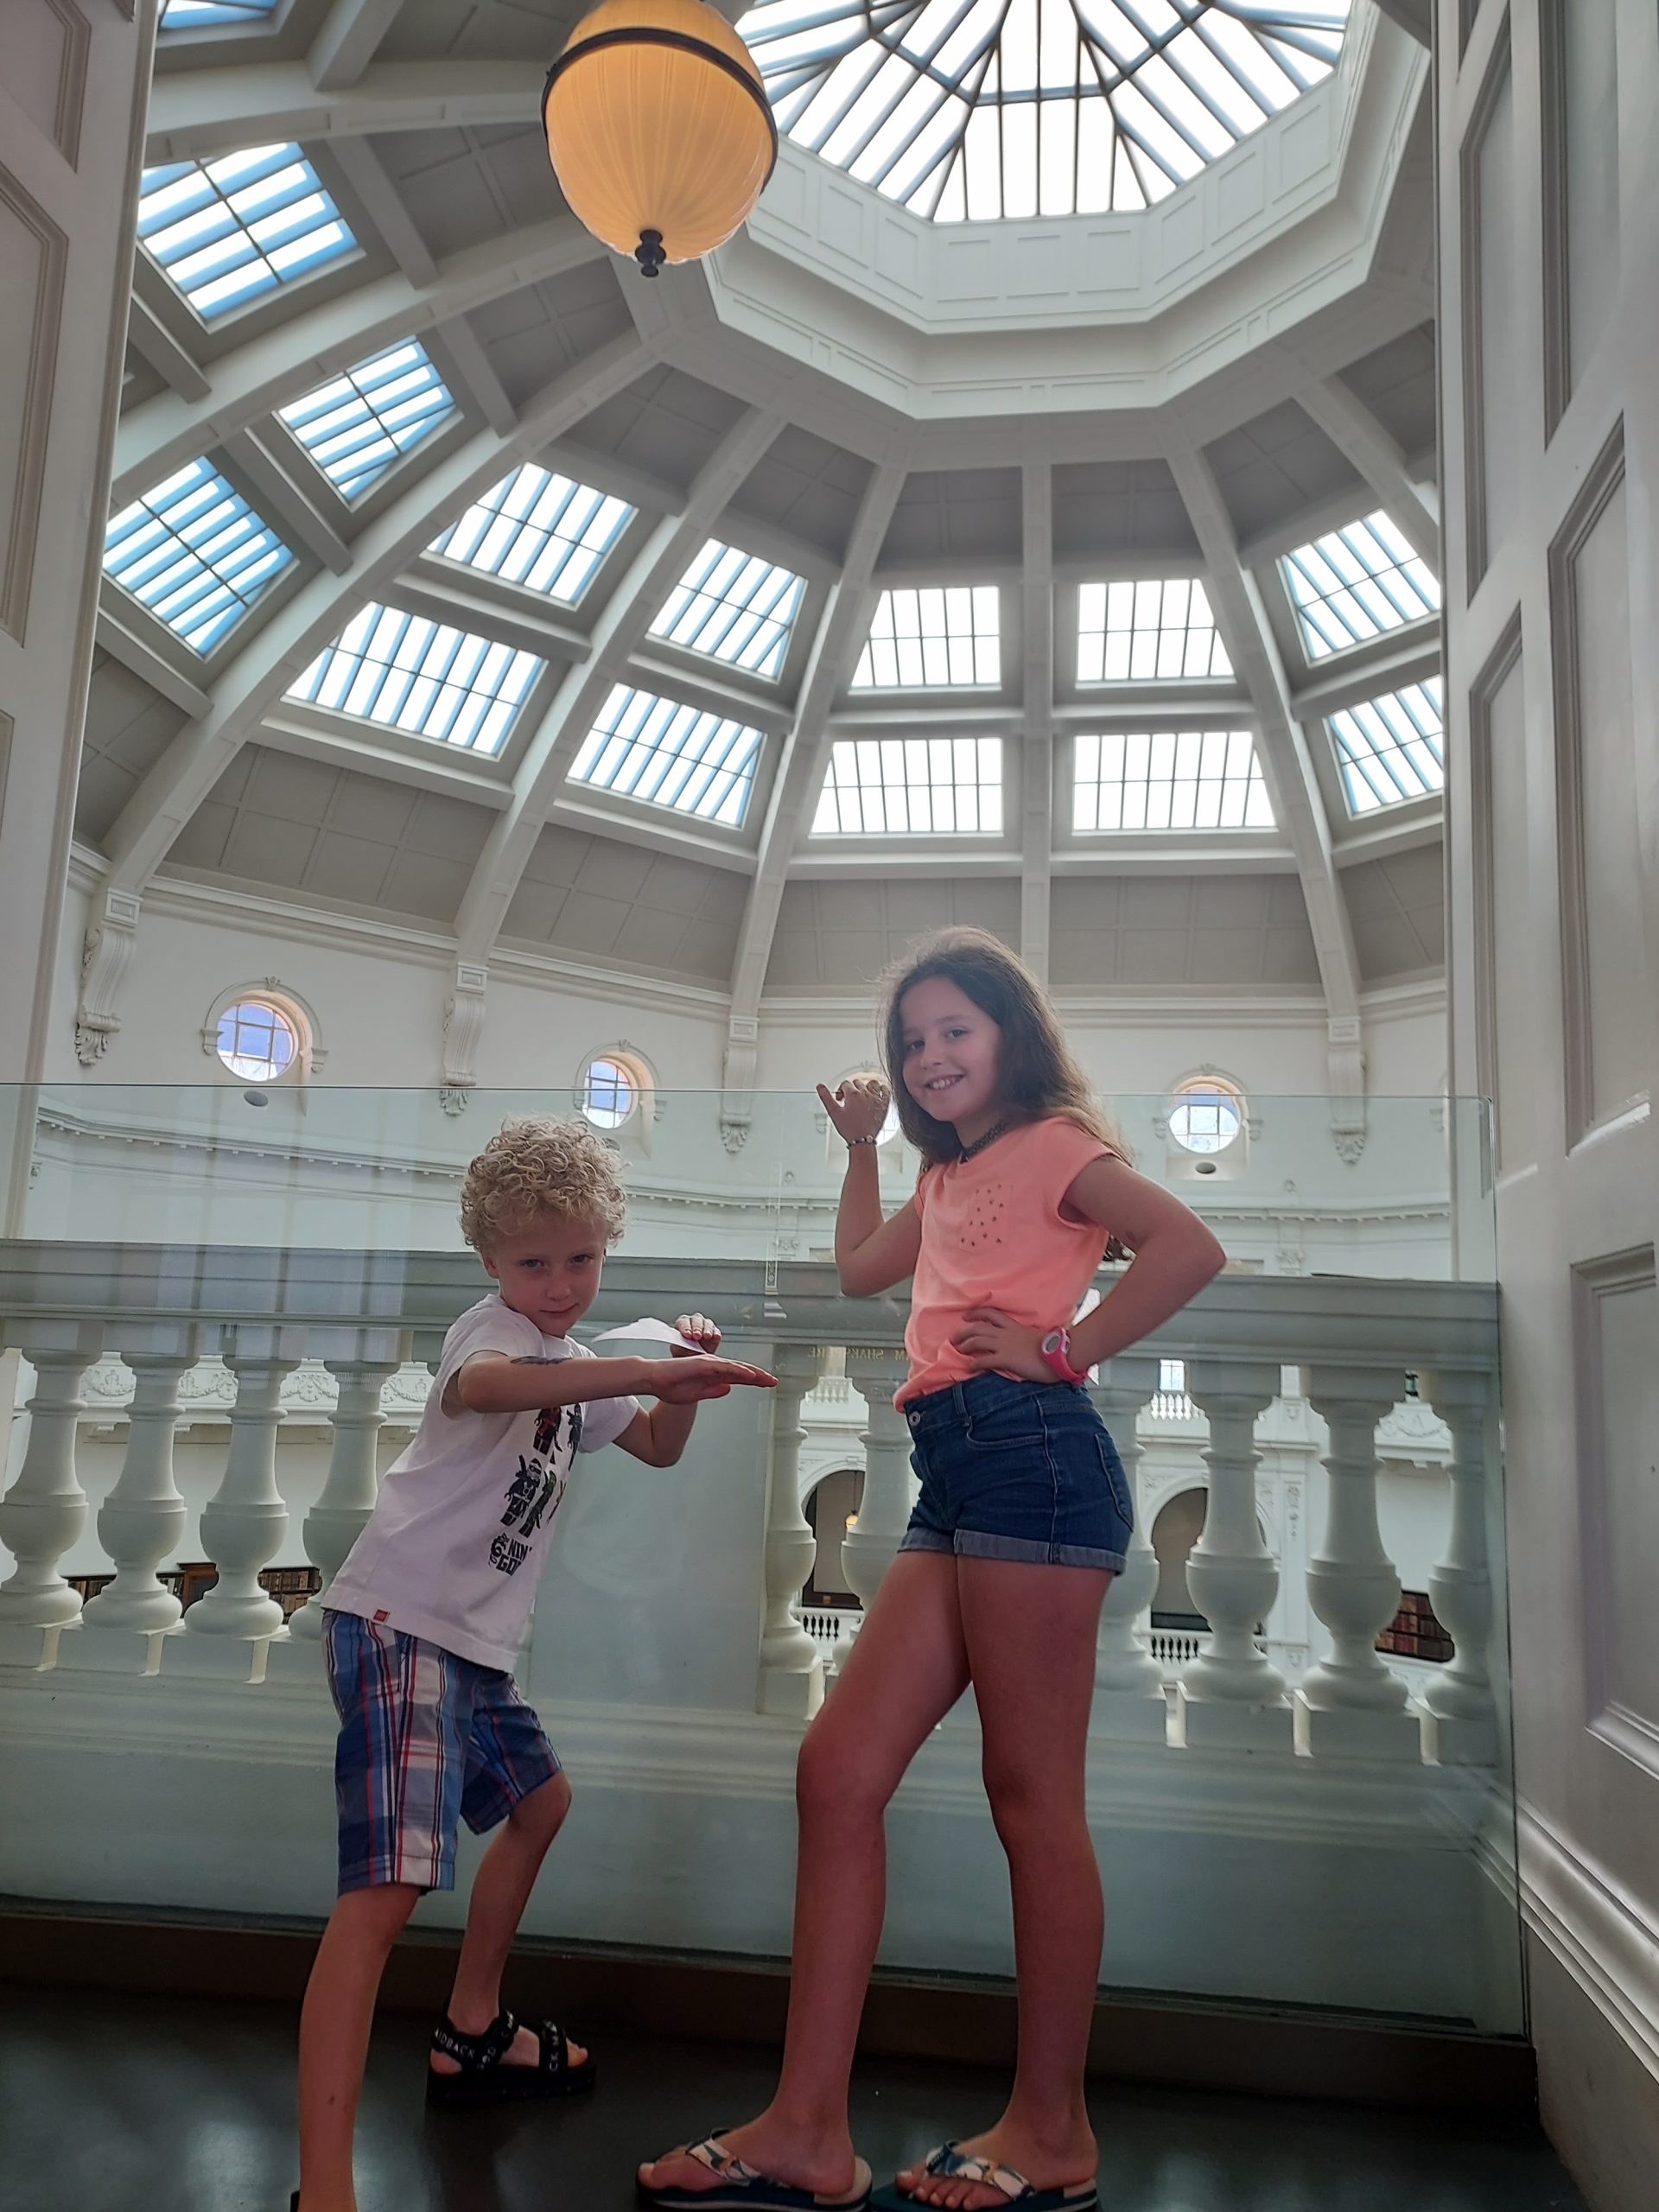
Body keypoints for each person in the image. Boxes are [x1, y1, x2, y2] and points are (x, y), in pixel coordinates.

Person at [639, 928, 1226, 2212]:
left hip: (1034, 1456)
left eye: (955, 1028)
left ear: (1012, 1033)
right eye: (912, 1041)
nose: (929, 1056)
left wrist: (1066, 1351)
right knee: (837, 1770)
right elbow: (861, 1272)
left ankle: (1054, 2132)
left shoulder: (1058, 1146)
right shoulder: (947, 1174)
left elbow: (1189, 1247)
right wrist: (861, 1146)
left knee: (1031, 1794)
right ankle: (806, 2130)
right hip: (954, 1464)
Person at [295, 1116, 775, 2212]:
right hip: (401, 1625)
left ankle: (471, 2031)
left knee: (541, 1804)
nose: (558, 1286)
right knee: (382, 1896)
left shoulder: (574, 1360)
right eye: (533, 1263)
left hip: (471, 1648)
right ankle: (323, 2189)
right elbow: (490, 1388)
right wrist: (641, 1360)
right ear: (491, 1262)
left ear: (607, 1245)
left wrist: (679, 1384)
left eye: (580, 1259)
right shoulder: (493, 1334)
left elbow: (653, 1445)